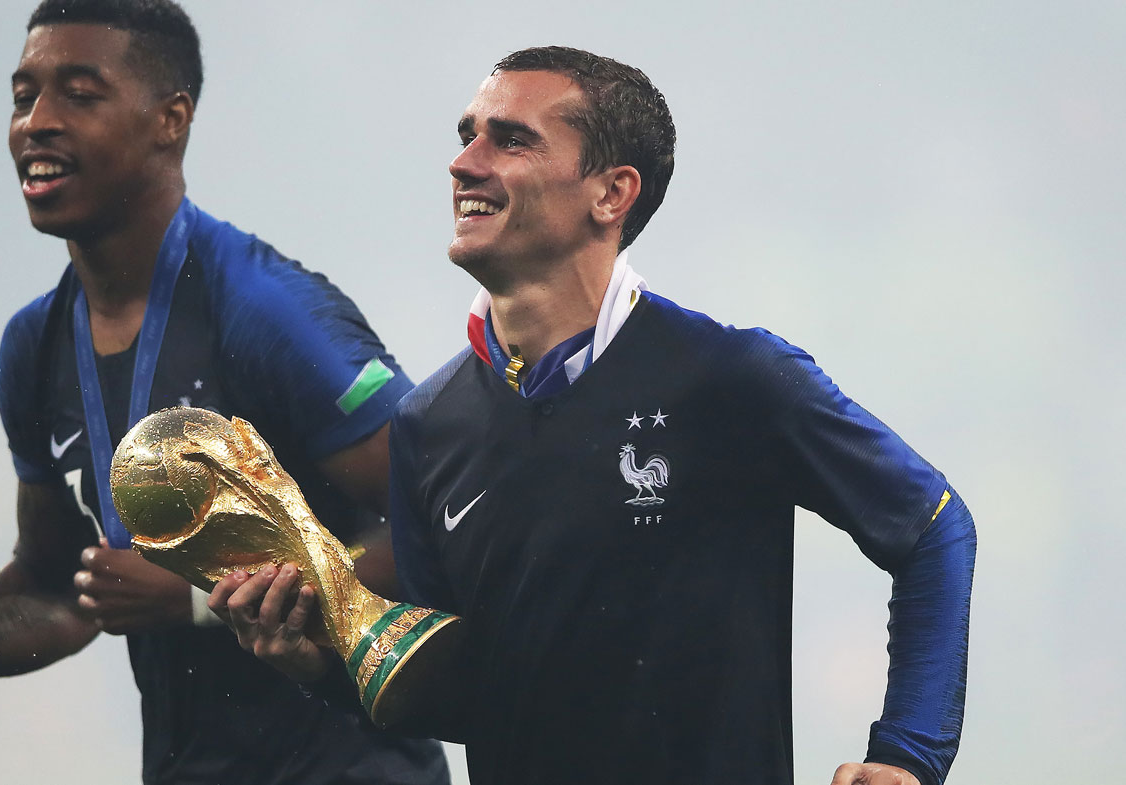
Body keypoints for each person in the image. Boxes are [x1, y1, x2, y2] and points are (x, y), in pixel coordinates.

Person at [212, 46, 976, 785]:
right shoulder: (427, 424)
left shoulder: (730, 377)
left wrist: (909, 750)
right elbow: (457, 689)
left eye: (510, 140)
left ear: (611, 194)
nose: (464, 162)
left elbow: (932, 525)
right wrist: (310, 662)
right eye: (467, 135)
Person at [0, 1, 449, 783]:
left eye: (79, 94)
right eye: (24, 97)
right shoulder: (34, 346)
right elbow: (66, 592)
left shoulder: (268, 312)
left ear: (171, 118)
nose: (37, 122)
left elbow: (433, 526)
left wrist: (196, 597)